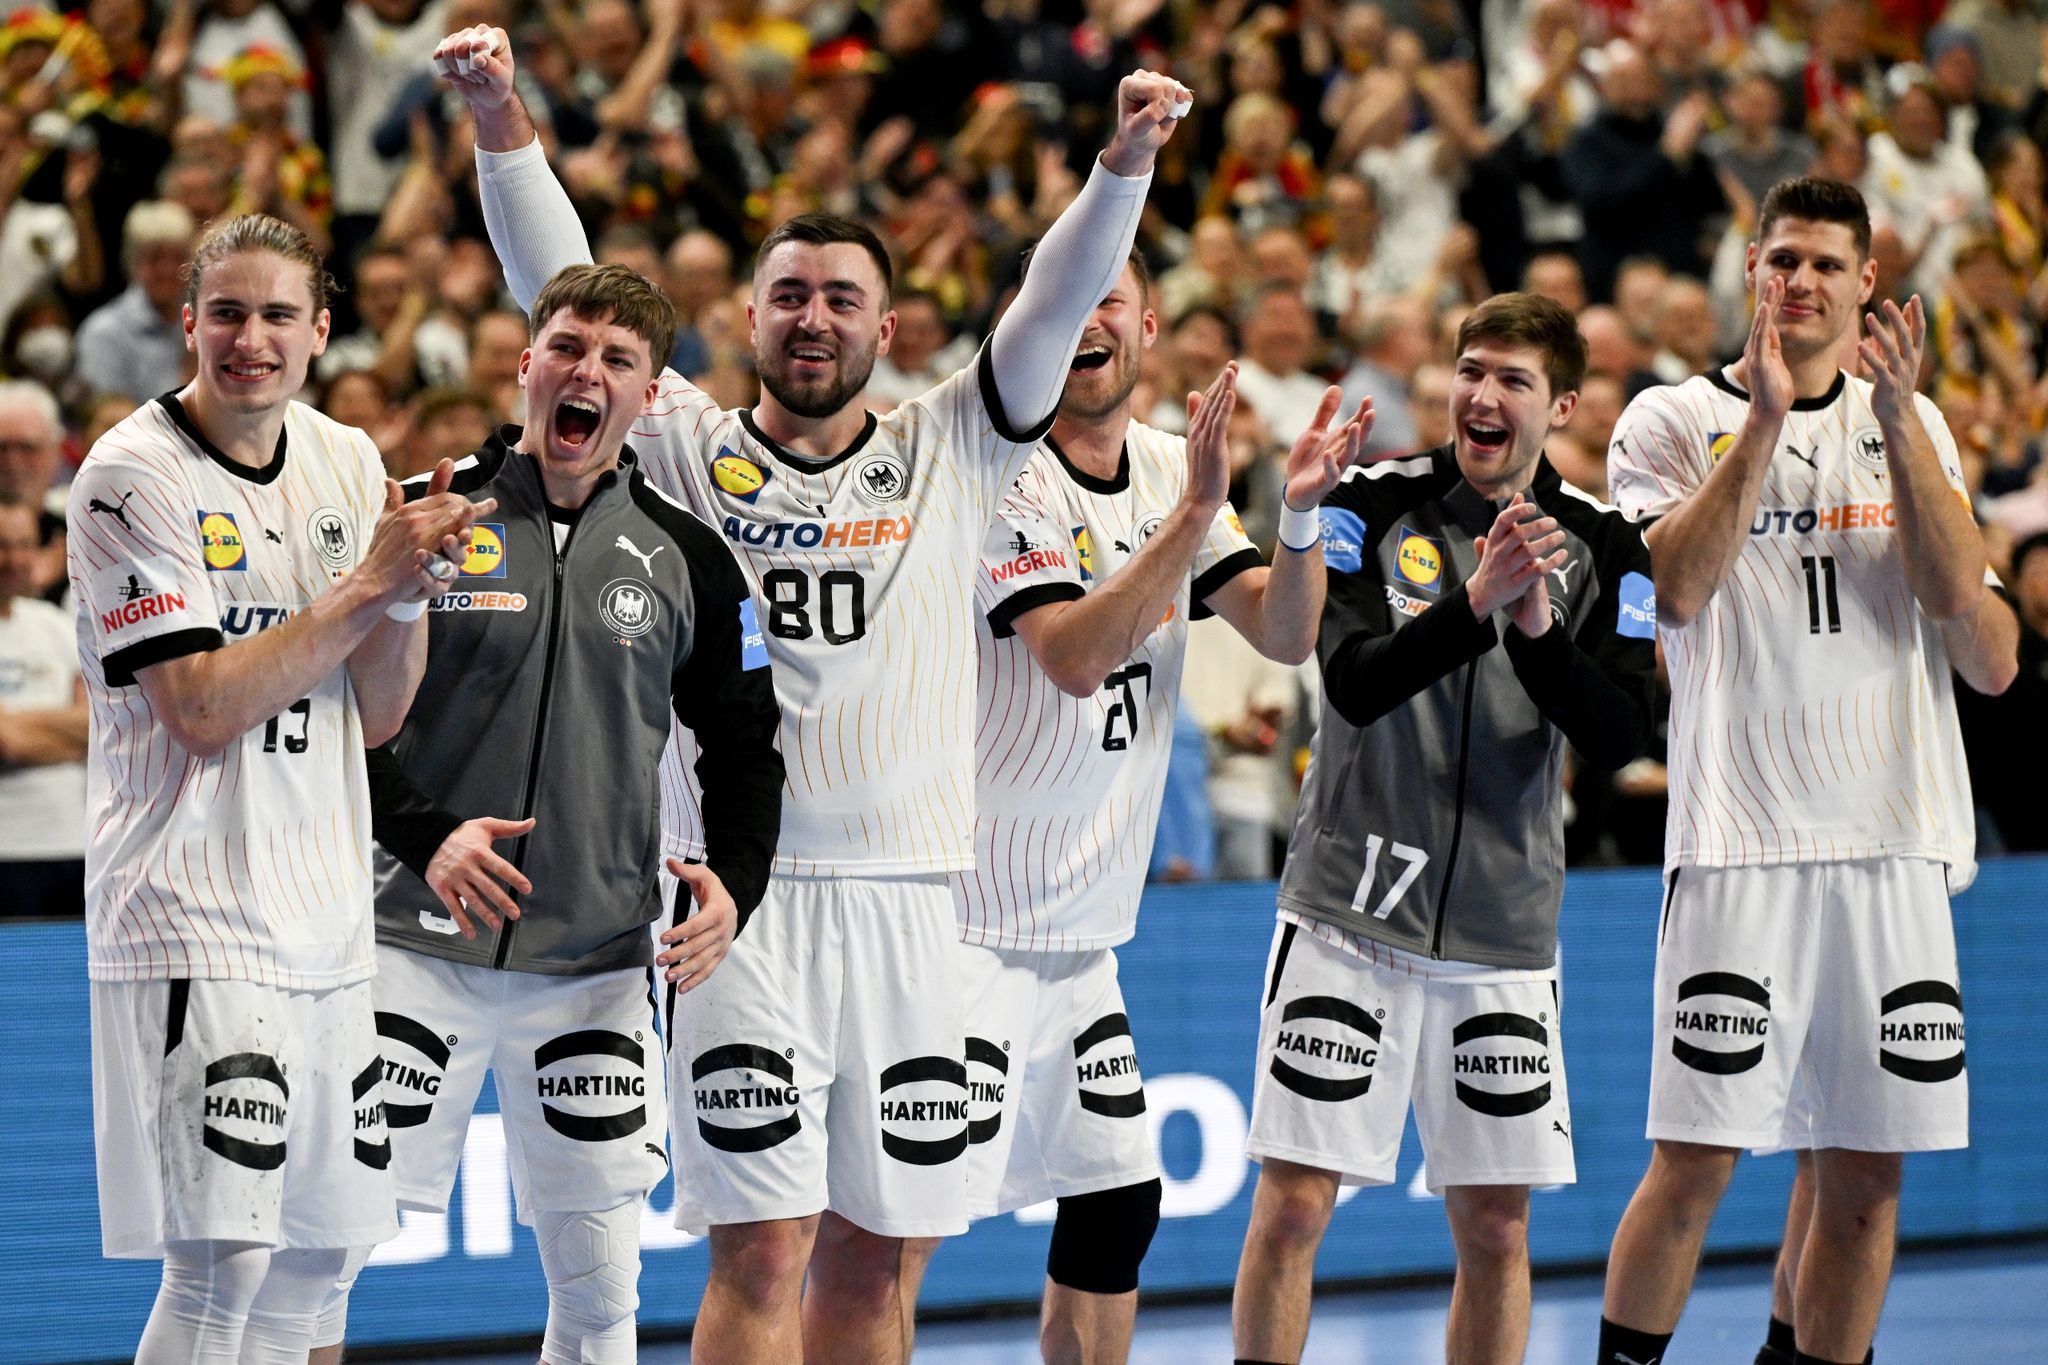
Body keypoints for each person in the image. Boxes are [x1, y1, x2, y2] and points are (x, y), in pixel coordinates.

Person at [434, 22, 1187, 1361]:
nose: (815, 316)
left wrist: (1124, 161)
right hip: (736, 901)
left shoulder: (952, 440)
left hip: (919, 904)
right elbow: (563, 286)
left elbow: (1055, 302)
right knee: (763, 1243)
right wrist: (502, 116)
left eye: (843, 296)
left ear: (886, 328)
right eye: (790, 294)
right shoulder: (676, 443)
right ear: (749, 318)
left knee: (880, 1254)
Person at [314, 263, 784, 1365]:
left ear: (649, 393)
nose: (588, 373)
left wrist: (736, 884)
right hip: (405, 943)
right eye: (568, 347)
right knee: (317, 1261)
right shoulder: (423, 514)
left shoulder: (691, 558)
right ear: (527, 364)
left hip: (597, 966)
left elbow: (748, 745)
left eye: (618, 360)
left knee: (598, 1298)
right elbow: (331, 722)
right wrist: (426, 838)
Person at [908, 242, 1369, 1361]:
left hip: (1077, 935)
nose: (1082, 322)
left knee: (1115, 1207)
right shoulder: (997, 471)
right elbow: (1070, 654)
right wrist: (1196, 511)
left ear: (1147, 329)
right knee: (900, 1227)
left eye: (1106, 300)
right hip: (960, 923)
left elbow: (1284, 629)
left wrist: (1294, 517)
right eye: (1060, 302)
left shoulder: (1170, 467)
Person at [1597, 177, 2020, 1365]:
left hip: (1889, 841)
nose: (1802, 282)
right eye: (1781, 259)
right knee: (1693, 1166)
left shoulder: (1914, 424)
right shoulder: (1666, 418)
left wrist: (1893, 424)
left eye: (1828, 265)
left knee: (1865, 1179)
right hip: (1740, 841)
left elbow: (1968, 630)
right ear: (1748, 271)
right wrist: (1769, 423)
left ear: (1866, 283)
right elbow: (1671, 593)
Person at [67, 211, 484, 1363]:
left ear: (321, 333)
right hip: (191, 909)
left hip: (328, 919)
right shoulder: (129, 475)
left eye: (278, 317)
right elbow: (198, 708)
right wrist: (363, 590)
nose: (251, 339)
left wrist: (406, 595)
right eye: (229, 314)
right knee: (221, 1270)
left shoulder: (350, 461)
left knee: (314, 1267)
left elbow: (379, 713)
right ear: (187, 324)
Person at [1232, 292, 1660, 1365]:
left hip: (1501, 934)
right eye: (1471, 370)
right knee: (1290, 1208)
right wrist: (1472, 607)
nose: (1481, 395)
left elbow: (1620, 738)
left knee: (1494, 1227)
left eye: (1512, 380)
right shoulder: (1367, 505)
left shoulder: (1611, 548)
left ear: (1558, 404)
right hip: (1347, 911)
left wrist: (1534, 632)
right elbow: (1349, 682)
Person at [0, 497, 86, 916]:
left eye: (23, 544)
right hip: (9, 849)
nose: (13, 559)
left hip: (73, 846)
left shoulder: (56, 625)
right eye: (1, 545)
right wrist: (67, 729)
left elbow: (102, 729)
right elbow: (7, 743)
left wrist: (23, 725)